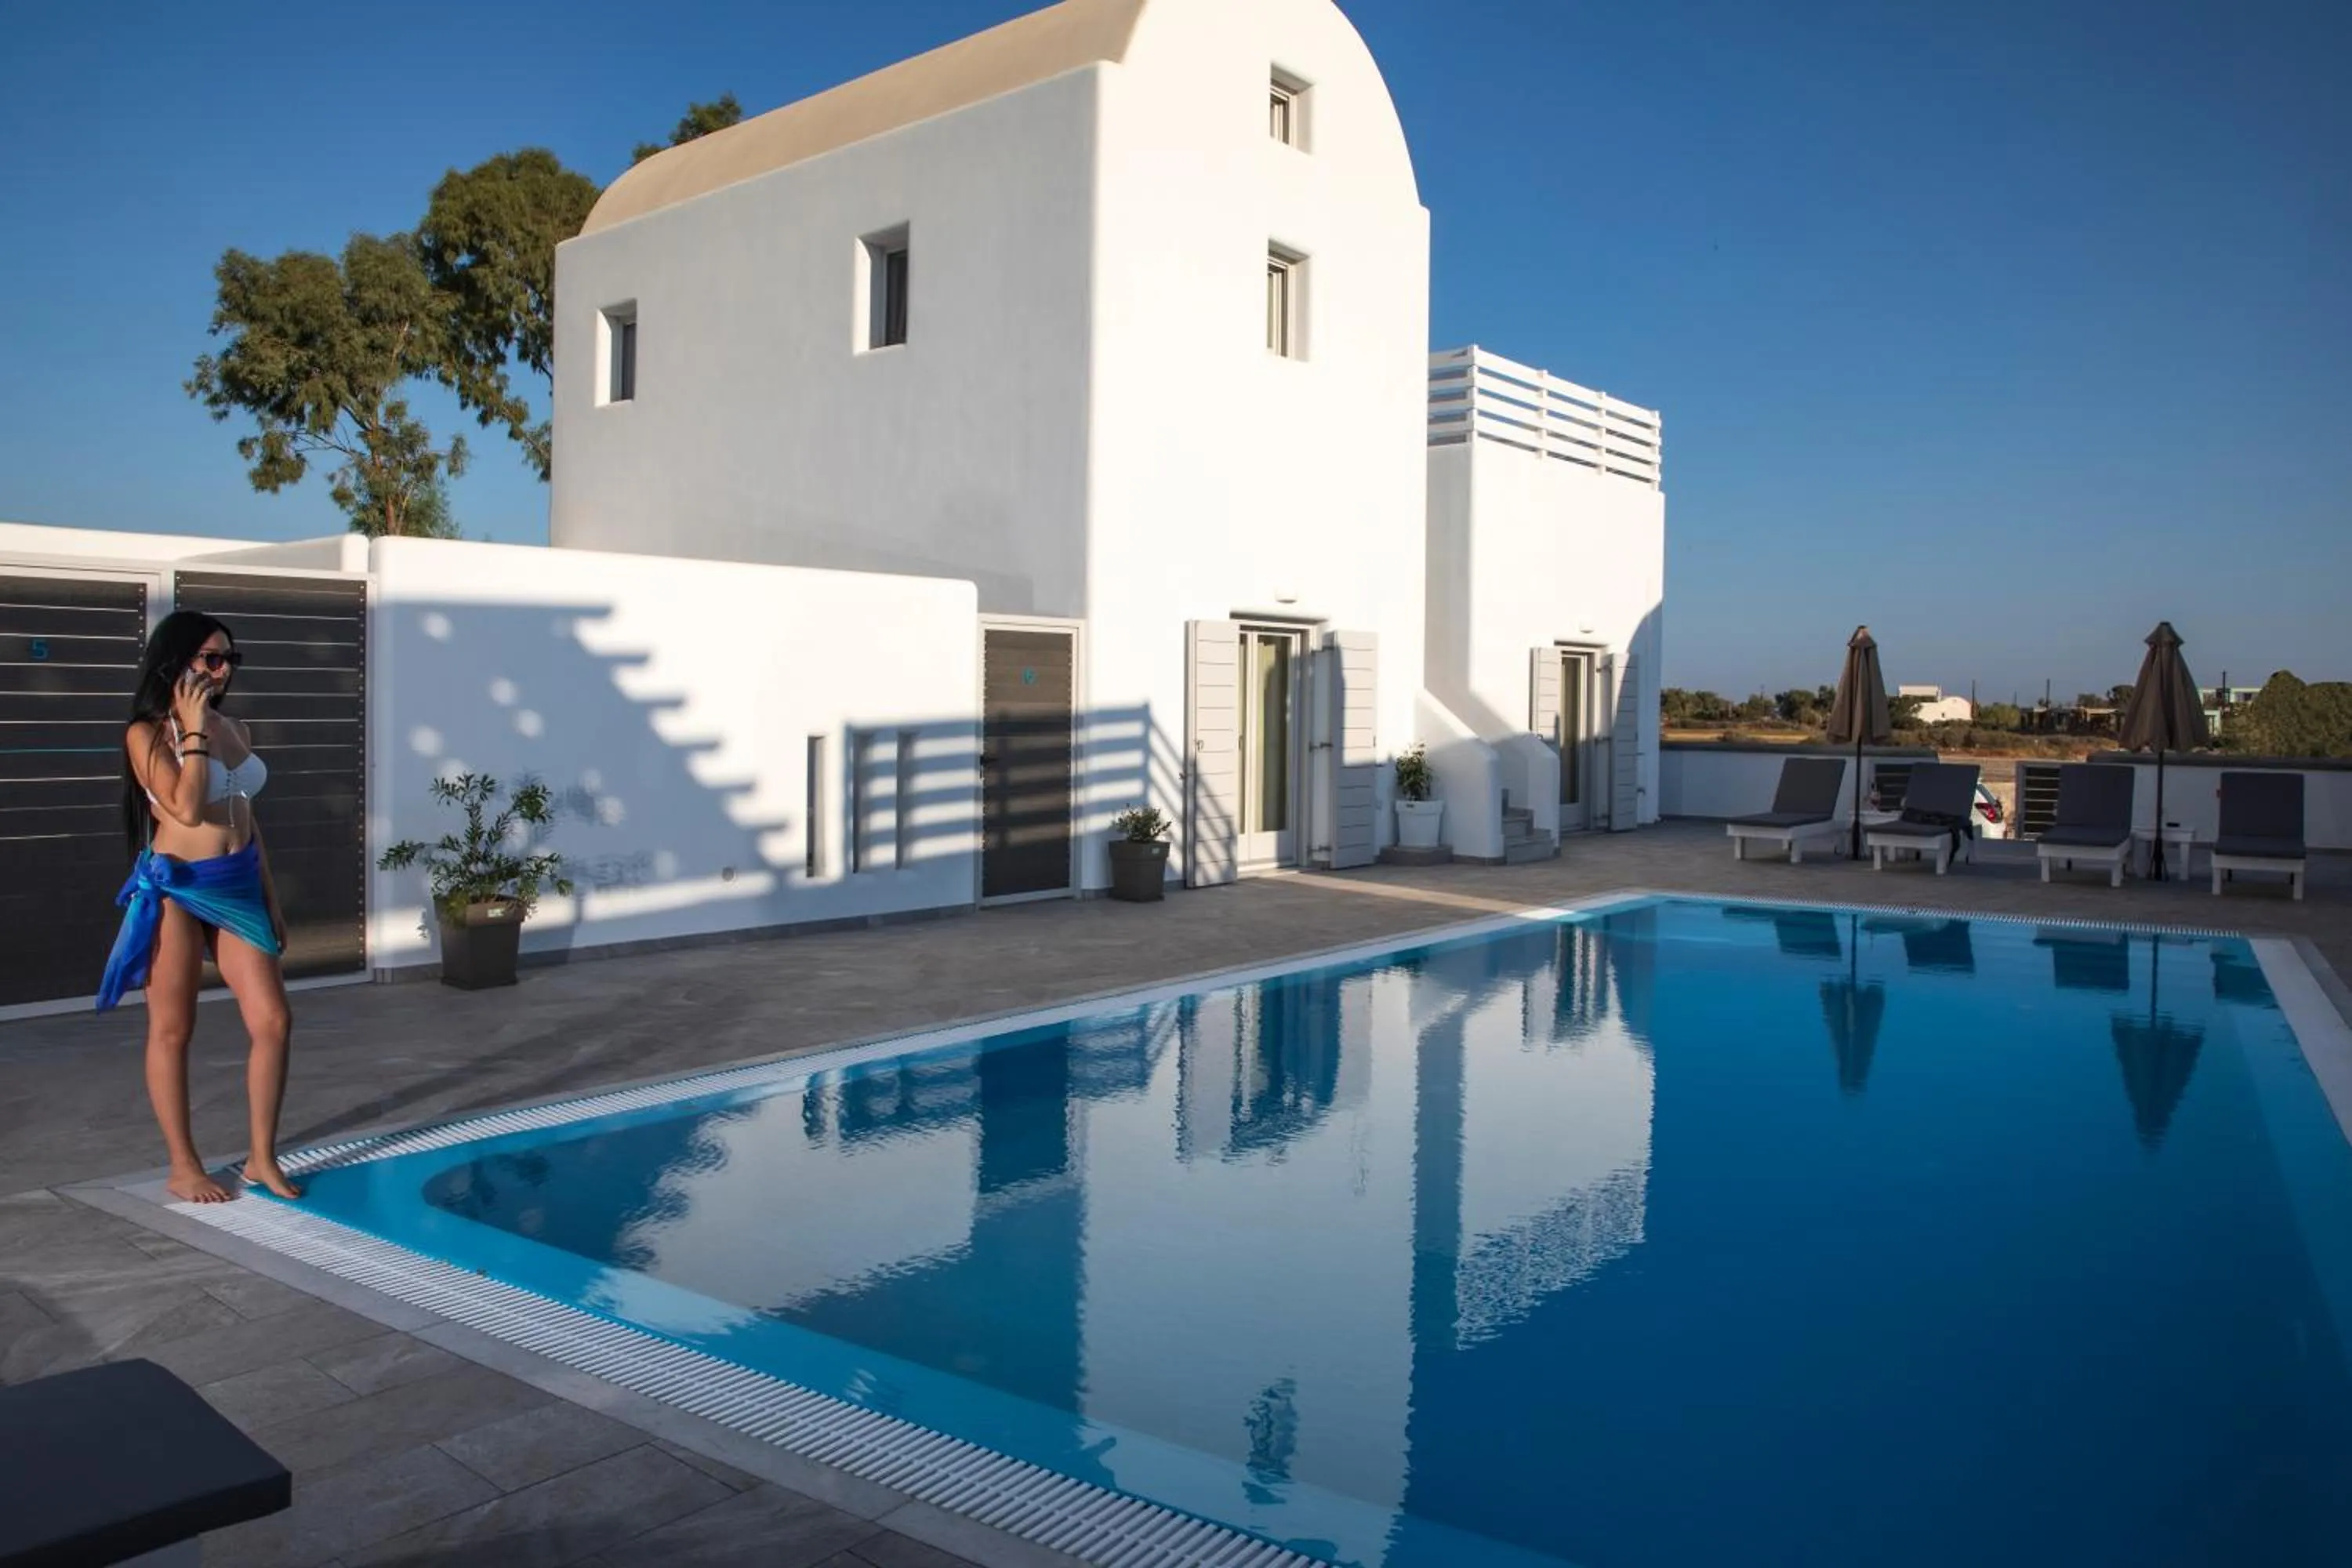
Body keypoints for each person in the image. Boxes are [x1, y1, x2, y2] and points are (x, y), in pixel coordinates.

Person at [100, 612, 300, 1203]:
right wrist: (190, 729)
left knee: (273, 1021)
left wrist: (271, 897)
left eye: (229, 661)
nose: (221, 671)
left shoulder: (232, 727)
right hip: (181, 888)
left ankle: (262, 1157)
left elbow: (246, 816)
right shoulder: (147, 734)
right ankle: (183, 1164)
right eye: (210, 659)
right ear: (176, 660)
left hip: (239, 883)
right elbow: (186, 810)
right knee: (173, 1029)